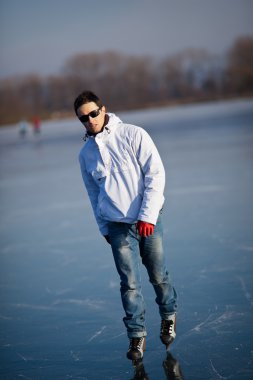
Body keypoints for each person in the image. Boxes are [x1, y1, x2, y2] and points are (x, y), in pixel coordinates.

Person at [74, 91, 177, 361]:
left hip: (148, 221)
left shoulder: (133, 134)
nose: (90, 120)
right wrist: (104, 228)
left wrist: (147, 216)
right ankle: (136, 337)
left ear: (103, 109)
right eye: (83, 118)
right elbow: (93, 195)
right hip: (117, 226)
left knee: (158, 275)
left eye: (93, 113)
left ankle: (168, 316)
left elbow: (156, 175)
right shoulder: (86, 154)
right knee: (129, 283)